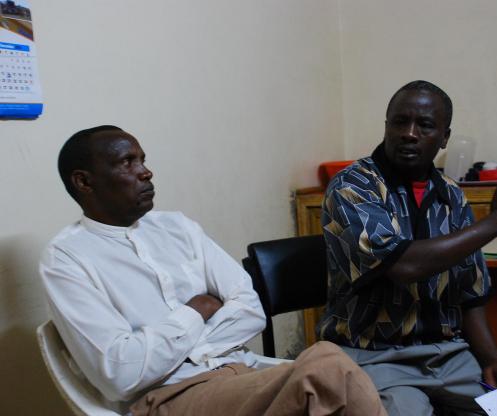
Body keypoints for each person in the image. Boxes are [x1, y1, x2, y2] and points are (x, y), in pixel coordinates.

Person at [40, 125, 387, 416]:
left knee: (334, 383)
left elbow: (250, 310)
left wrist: (167, 347)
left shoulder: (178, 227)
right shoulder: (68, 259)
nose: (145, 171)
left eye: (143, 159)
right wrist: (197, 311)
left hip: (242, 372)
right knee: (326, 366)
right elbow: (121, 372)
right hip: (169, 397)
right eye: (127, 162)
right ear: (84, 182)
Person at [317, 80, 497, 416]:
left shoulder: (451, 194)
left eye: (425, 125)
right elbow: (404, 265)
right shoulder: (352, 186)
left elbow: (469, 293)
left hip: (448, 353)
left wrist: (492, 359)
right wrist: (496, 222)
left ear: (444, 137)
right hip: (375, 355)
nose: (410, 133)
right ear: (386, 126)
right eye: (400, 122)